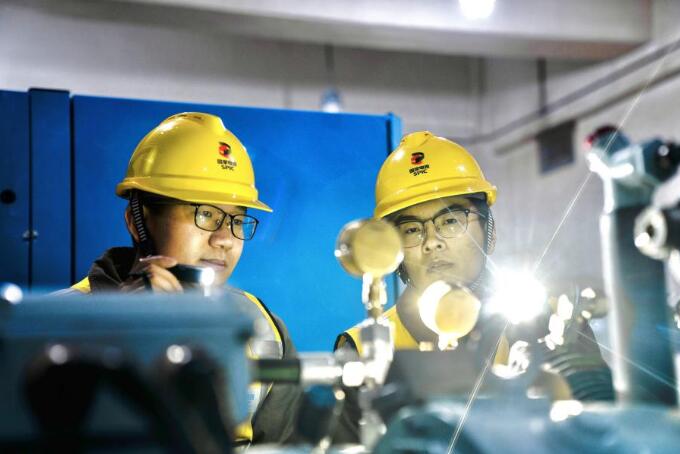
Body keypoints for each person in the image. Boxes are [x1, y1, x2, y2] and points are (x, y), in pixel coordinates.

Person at [333, 131, 609, 442]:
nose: (432, 242)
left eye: (451, 221)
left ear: (488, 228)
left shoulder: (551, 319)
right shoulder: (361, 347)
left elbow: (601, 430)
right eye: (411, 230)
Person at [62, 112, 301, 445]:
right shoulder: (56, 325)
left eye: (237, 220)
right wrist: (120, 331)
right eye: (205, 214)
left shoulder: (264, 329)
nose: (224, 239)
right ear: (137, 222)